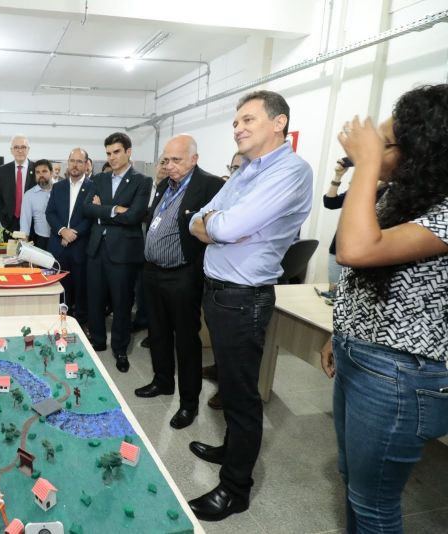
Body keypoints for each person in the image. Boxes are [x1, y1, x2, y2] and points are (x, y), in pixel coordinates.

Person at [320, 84, 448, 534]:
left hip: (400, 374)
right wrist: (339, 332)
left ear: (423, 152)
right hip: (363, 354)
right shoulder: (399, 196)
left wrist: (365, 164)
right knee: (353, 481)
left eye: (386, 144)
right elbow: (360, 274)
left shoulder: (446, 211)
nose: (373, 149)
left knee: (373, 504)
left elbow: (354, 249)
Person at [187, 90, 313, 521]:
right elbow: (200, 217)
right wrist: (218, 225)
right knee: (228, 382)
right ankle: (230, 451)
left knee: (242, 397)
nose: (238, 128)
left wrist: (221, 225)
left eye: (248, 120)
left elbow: (230, 223)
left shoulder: (291, 171)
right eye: (235, 122)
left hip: (245, 298)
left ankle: (235, 489)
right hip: (219, 292)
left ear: (278, 123)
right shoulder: (246, 170)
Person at [134, 134, 223, 432]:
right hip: (153, 272)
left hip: (183, 275)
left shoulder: (211, 186)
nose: (169, 166)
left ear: (194, 159)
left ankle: (189, 403)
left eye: (176, 160)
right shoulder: (165, 185)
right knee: (157, 333)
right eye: (166, 160)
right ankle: (162, 382)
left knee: (185, 340)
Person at [83, 132, 151, 373]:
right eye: (108, 153)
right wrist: (115, 210)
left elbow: (134, 216)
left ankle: (120, 349)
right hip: (96, 250)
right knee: (95, 299)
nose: (112, 157)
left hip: (123, 253)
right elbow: (87, 208)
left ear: (128, 151)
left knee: (122, 303)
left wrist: (104, 210)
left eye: (116, 152)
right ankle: (98, 341)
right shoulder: (99, 179)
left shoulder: (143, 181)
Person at [201, 150, 245, 410]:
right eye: (233, 167)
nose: (236, 173)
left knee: (235, 351)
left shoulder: (253, 197)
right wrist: (212, 223)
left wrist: (213, 224)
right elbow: (197, 221)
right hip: (214, 279)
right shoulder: (226, 190)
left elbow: (225, 230)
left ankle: (227, 393)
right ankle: (219, 371)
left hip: (239, 286)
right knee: (218, 337)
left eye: (242, 168)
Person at [322, 159, 390, 285]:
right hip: (339, 247)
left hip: (363, 253)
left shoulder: (387, 194)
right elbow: (330, 202)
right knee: (334, 292)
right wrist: (338, 176)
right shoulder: (359, 189)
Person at [46, 148, 92, 326]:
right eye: (72, 160)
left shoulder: (93, 187)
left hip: (81, 248)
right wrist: (62, 230)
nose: (75, 164)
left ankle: (80, 327)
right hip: (59, 248)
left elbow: (91, 217)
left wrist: (73, 234)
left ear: (86, 165)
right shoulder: (58, 187)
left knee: (81, 291)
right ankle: (61, 325)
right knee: (60, 290)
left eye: (79, 161)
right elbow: (50, 213)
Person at [133, 160, 169, 344]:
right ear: (156, 166)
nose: (164, 166)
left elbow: (150, 213)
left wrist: (141, 212)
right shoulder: (145, 185)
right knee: (141, 288)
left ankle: (155, 333)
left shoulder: (170, 189)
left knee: (158, 296)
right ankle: (141, 320)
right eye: (162, 162)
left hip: (160, 249)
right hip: (139, 244)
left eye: (168, 163)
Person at [0, 134, 35, 232]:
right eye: (16, 147)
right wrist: (1, 220)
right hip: (8, 223)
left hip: (31, 224)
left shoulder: (36, 169)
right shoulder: (3, 170)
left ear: (28, 149)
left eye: (23, 147)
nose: (20, 150)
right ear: (11, 150)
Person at [19, 159, 53, 250]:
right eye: (37, 172)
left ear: (51, 173)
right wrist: (24, 247)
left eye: (44, 171)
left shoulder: (60, 191)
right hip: (40, 240)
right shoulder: (29, 195)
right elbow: (25, 222)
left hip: (60, 240)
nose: (41, 175)